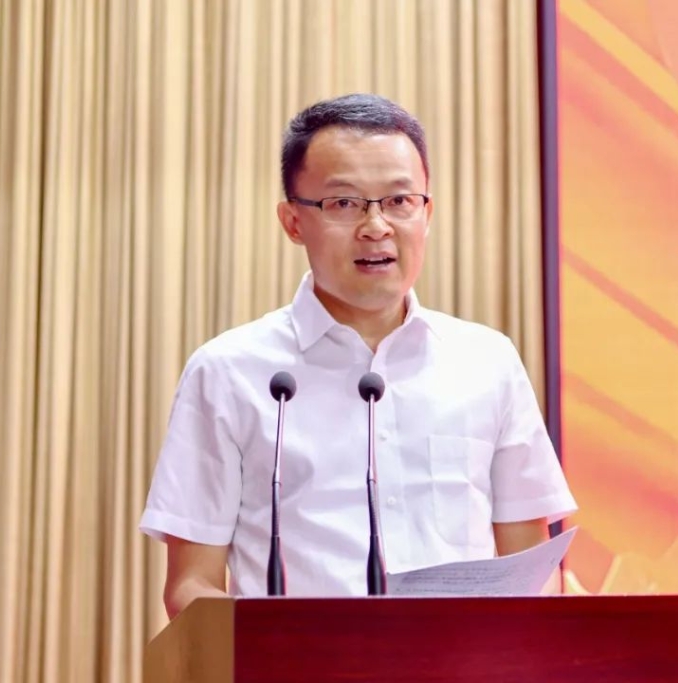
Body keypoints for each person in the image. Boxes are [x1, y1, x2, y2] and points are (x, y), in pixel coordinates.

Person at [139, 93, 577, 618]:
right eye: (344, 203)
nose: (376, 226)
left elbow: (533, 572)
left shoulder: (487, 362)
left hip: (461, 660)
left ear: (427, 213)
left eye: (399, 201)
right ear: (292, 221)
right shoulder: (228, 372)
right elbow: (191, 586)